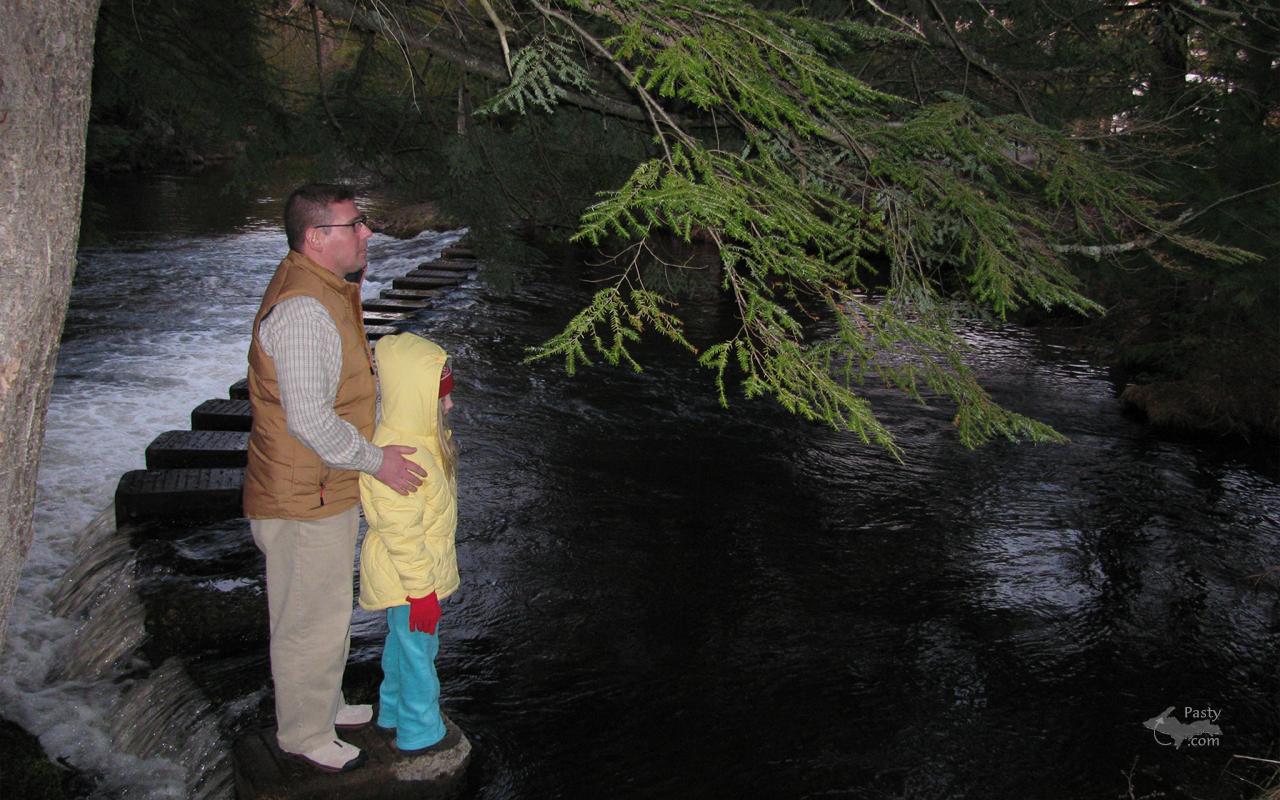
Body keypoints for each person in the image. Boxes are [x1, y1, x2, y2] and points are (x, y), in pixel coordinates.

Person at [243, 184, 427, 773]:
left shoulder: (323, 286)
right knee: (307, 620)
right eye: (355, 224)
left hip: (318, 487)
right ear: (317, 238)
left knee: (325, 610)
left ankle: (323, 703)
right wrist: (379, 462)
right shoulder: (303, 311)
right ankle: (304, 732)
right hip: (304, 496)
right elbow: (309, 420)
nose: (367, 232)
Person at [358, 333, 460, 754]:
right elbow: (402, 533)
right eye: (442, 398)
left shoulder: (416, 440)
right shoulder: (405, 456)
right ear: (417, 398)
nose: (449, 405)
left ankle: (391, 711)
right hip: (409, 580)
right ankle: (420, 729)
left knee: (403, 645)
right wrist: (421, 593)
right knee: (420, 653)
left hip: (409, 578)